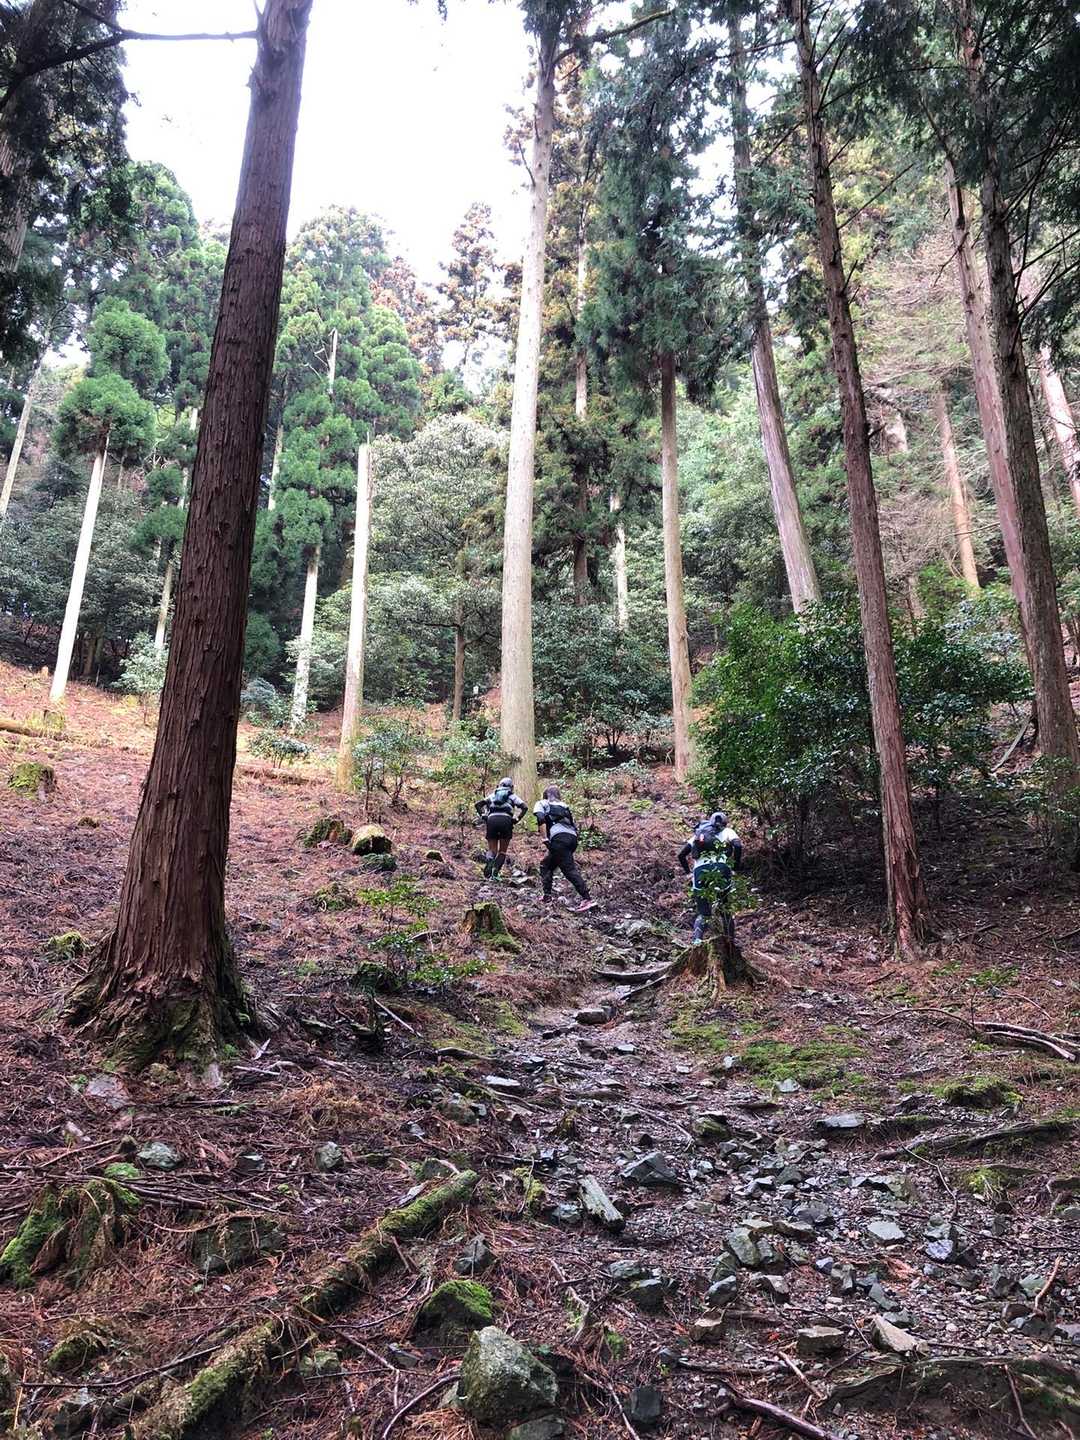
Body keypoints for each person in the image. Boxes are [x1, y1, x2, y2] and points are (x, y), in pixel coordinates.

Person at [678, 810, 742, 943]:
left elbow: (681, 855)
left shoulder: (699, 835)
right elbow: (737, 845)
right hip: (721, 868)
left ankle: (697, 941)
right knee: (725, 909)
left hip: (699, 871)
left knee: (703, 913)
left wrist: (688, 873)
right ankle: (730, 943)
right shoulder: (728, 831)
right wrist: (735, 868)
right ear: (725, 823)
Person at [533, 785, 597, 912]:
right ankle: (547, 896)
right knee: (546, 865)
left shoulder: (542, 803)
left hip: (559, 839)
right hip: (572, 838)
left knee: (568, 869)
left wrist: (544, 838)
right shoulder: (564, 806)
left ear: (546, 795)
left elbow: (540, 818)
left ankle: (587, 899)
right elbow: (572, 824)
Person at [475, 776, 527, 879]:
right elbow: (524, 807)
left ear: (498, 786)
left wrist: (483, 816)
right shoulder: (512, 796)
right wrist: (517, 819)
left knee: (492, 850)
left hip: (492, 820)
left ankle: (490, 860)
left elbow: (478, 805)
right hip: (506, 821)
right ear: (511, 787)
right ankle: (495, 874)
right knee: (502, 851)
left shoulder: (492, 795)